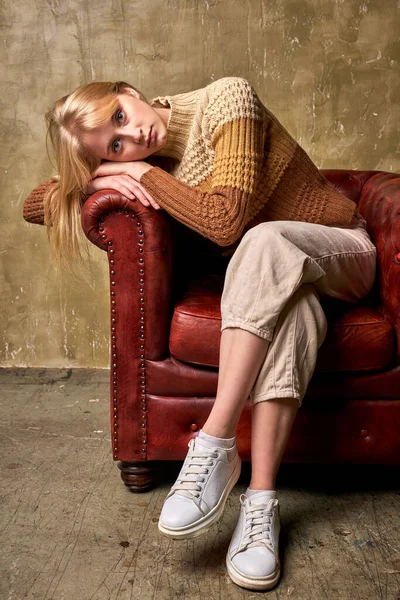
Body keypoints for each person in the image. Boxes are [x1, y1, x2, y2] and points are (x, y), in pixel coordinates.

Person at [30, 76, 377, 591]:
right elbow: (33, 203)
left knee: (262, 240)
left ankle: (214, 441)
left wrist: (141, 172)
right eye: (114, 146)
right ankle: (260, 509)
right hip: (282, 287)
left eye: (120, 118)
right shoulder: (133, 162)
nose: (132, 138)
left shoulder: (226, 100)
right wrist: (100, 178)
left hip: (341, 252)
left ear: (129, 90)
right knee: (294, 318)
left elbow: (222, 222)